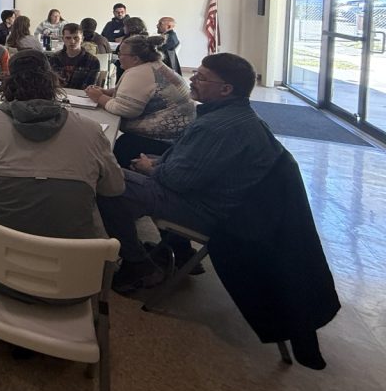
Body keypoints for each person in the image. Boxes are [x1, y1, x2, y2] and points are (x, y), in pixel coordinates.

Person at [0, 51, 124, 299]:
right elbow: (115, 189)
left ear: (7, 84)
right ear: (52, 83)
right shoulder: (90, 131)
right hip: (77, 284)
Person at [97, 53, 283, 294]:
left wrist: (151, 168)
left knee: (109, 183)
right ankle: (178, 250)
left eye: (202, 78)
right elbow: (191, 162)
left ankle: (138, 264)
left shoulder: (217, 127)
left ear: (226, 89)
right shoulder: (234, 116)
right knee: (126, 164)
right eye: (196, 73)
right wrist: (158, 162)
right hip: (215, 198)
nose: (192, 79)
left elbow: (178, 180)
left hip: (209, 211)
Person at [85, 35, 195, 167]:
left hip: (164, 140)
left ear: (135, 58)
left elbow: (125, 110)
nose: (118, 56)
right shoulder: (152, 66)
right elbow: (140, 92)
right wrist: (109, 92)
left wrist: (99, 97)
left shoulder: (140, 72)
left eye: (121, 53)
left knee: (116, 144)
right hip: (180, 135)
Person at [48, 23, 101, 90]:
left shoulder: (93, 61)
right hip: (58, 95)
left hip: (80, 97)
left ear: (82, 39)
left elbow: (88, 88)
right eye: (68, 38)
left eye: (76, 38)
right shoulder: (54, 58)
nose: (72, 41)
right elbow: (50, 84)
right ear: (63, 39)